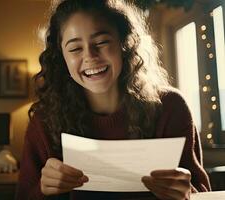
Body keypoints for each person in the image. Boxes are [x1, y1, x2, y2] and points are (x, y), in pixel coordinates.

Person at [15, 0, 211, 199]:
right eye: (75, 49)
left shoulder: (170, 107)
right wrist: (42, 188)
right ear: (61, 57)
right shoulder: (44, 121)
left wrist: (187, 193)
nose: (90, 56)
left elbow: (202, 193)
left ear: (125, 43)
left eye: (101, 42)